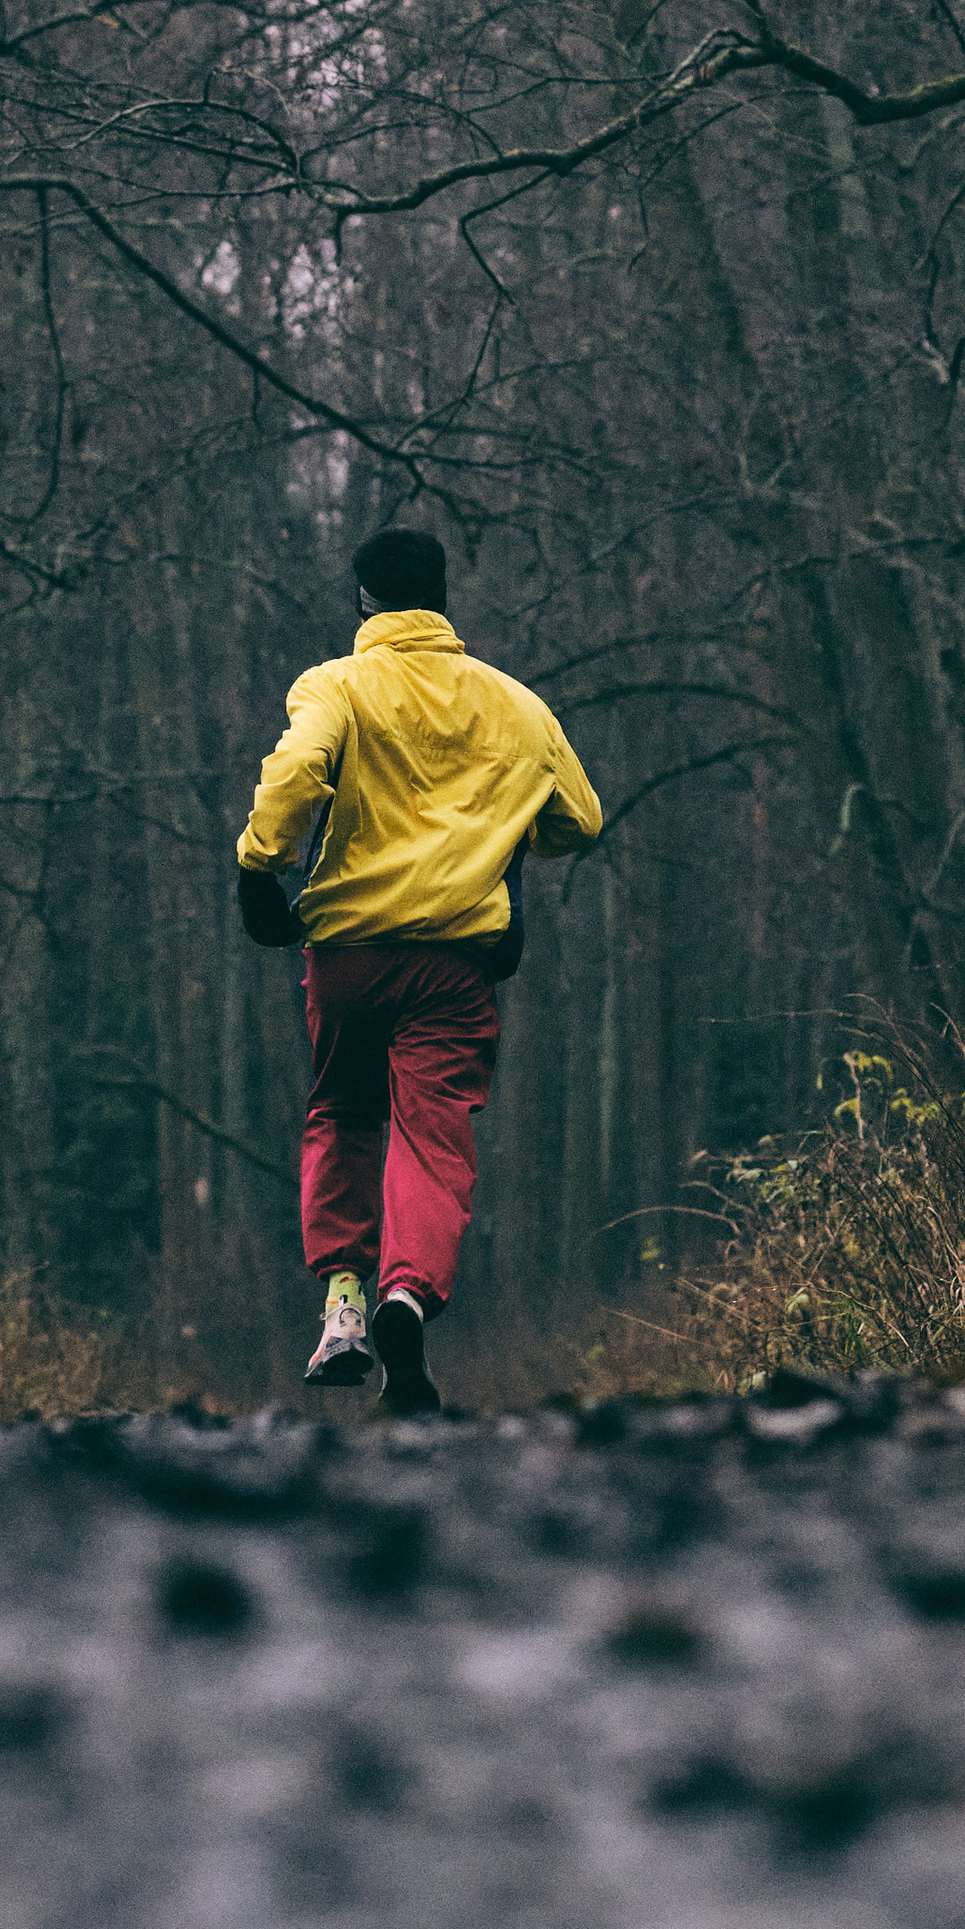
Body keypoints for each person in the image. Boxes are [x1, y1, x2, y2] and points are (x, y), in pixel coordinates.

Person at [234, 526, 601, 1412]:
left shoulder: (336, 685)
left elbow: (297, 772)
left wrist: (258, 865)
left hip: (348, 956)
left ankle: (345, 1306)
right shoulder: (518, 706)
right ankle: (407, 1294)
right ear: (442, 597)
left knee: (343, 1116)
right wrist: (498, 830)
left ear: (363, 600)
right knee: (432, 1136)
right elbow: (579, 820)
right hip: (455, 963)